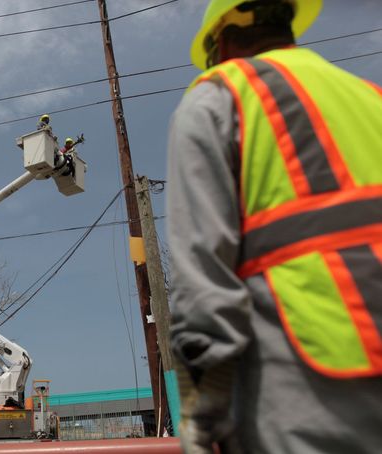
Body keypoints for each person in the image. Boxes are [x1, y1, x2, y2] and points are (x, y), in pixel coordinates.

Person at [165, 1, 382, 453]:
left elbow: (203, 272)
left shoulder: (218, 95)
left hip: (314, 375)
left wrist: (204, 411)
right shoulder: (368, 95)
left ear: (221, 43)